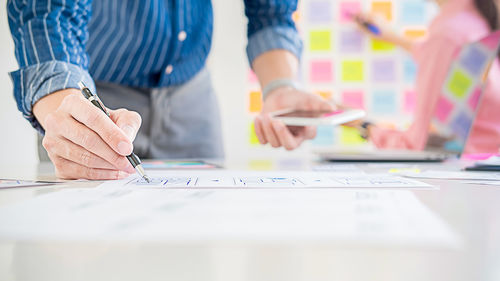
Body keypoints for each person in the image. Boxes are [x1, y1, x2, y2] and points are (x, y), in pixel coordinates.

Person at [7, 1, 333, 180]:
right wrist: (64, 107)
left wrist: (280, 86)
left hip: (192, 95)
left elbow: (272, 11)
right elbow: (46, 13)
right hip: (91, 98)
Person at [352, 0, 500, 154]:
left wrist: (364, 126)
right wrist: (393, 37)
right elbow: (454, 63)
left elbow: (423, 145)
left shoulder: (448, 34)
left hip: (465, 170)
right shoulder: (475, 22)